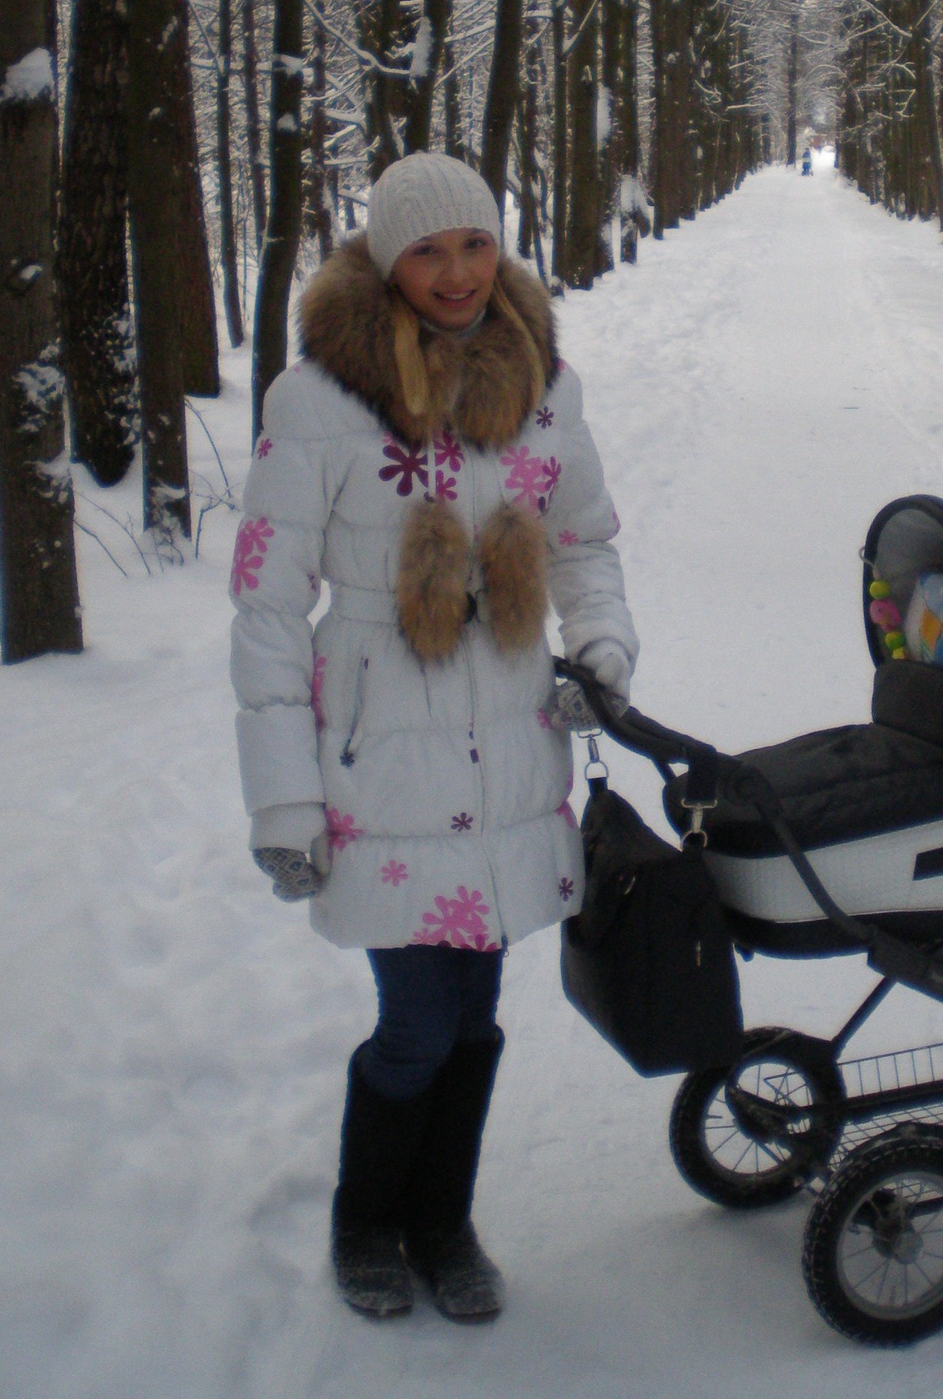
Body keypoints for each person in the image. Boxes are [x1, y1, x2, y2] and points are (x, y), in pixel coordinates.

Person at [231, 152, 636, 1324]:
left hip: (506, 741)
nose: (457, 273)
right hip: (381, 761)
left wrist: (602, 649)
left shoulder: (545, 383)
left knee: (473, 1018)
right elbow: (266, 604)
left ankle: (444, 1220)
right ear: (384, 260)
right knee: (415, 1022)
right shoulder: (318, 402)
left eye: (474, 244)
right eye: (426, 250)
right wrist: (284, 800)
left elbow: (583, 543)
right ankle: (368, 1219)